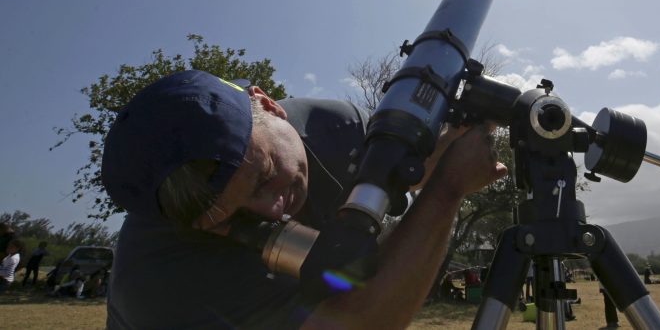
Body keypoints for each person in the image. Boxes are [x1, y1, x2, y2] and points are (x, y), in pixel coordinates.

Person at [101, 70, 506, 329]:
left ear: (268, 105)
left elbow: (410, 168)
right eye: (233, 218)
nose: (274, 211)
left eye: (264, 175)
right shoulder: (159, 284)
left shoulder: (335, 126)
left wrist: (457, 140)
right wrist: (449, 188)